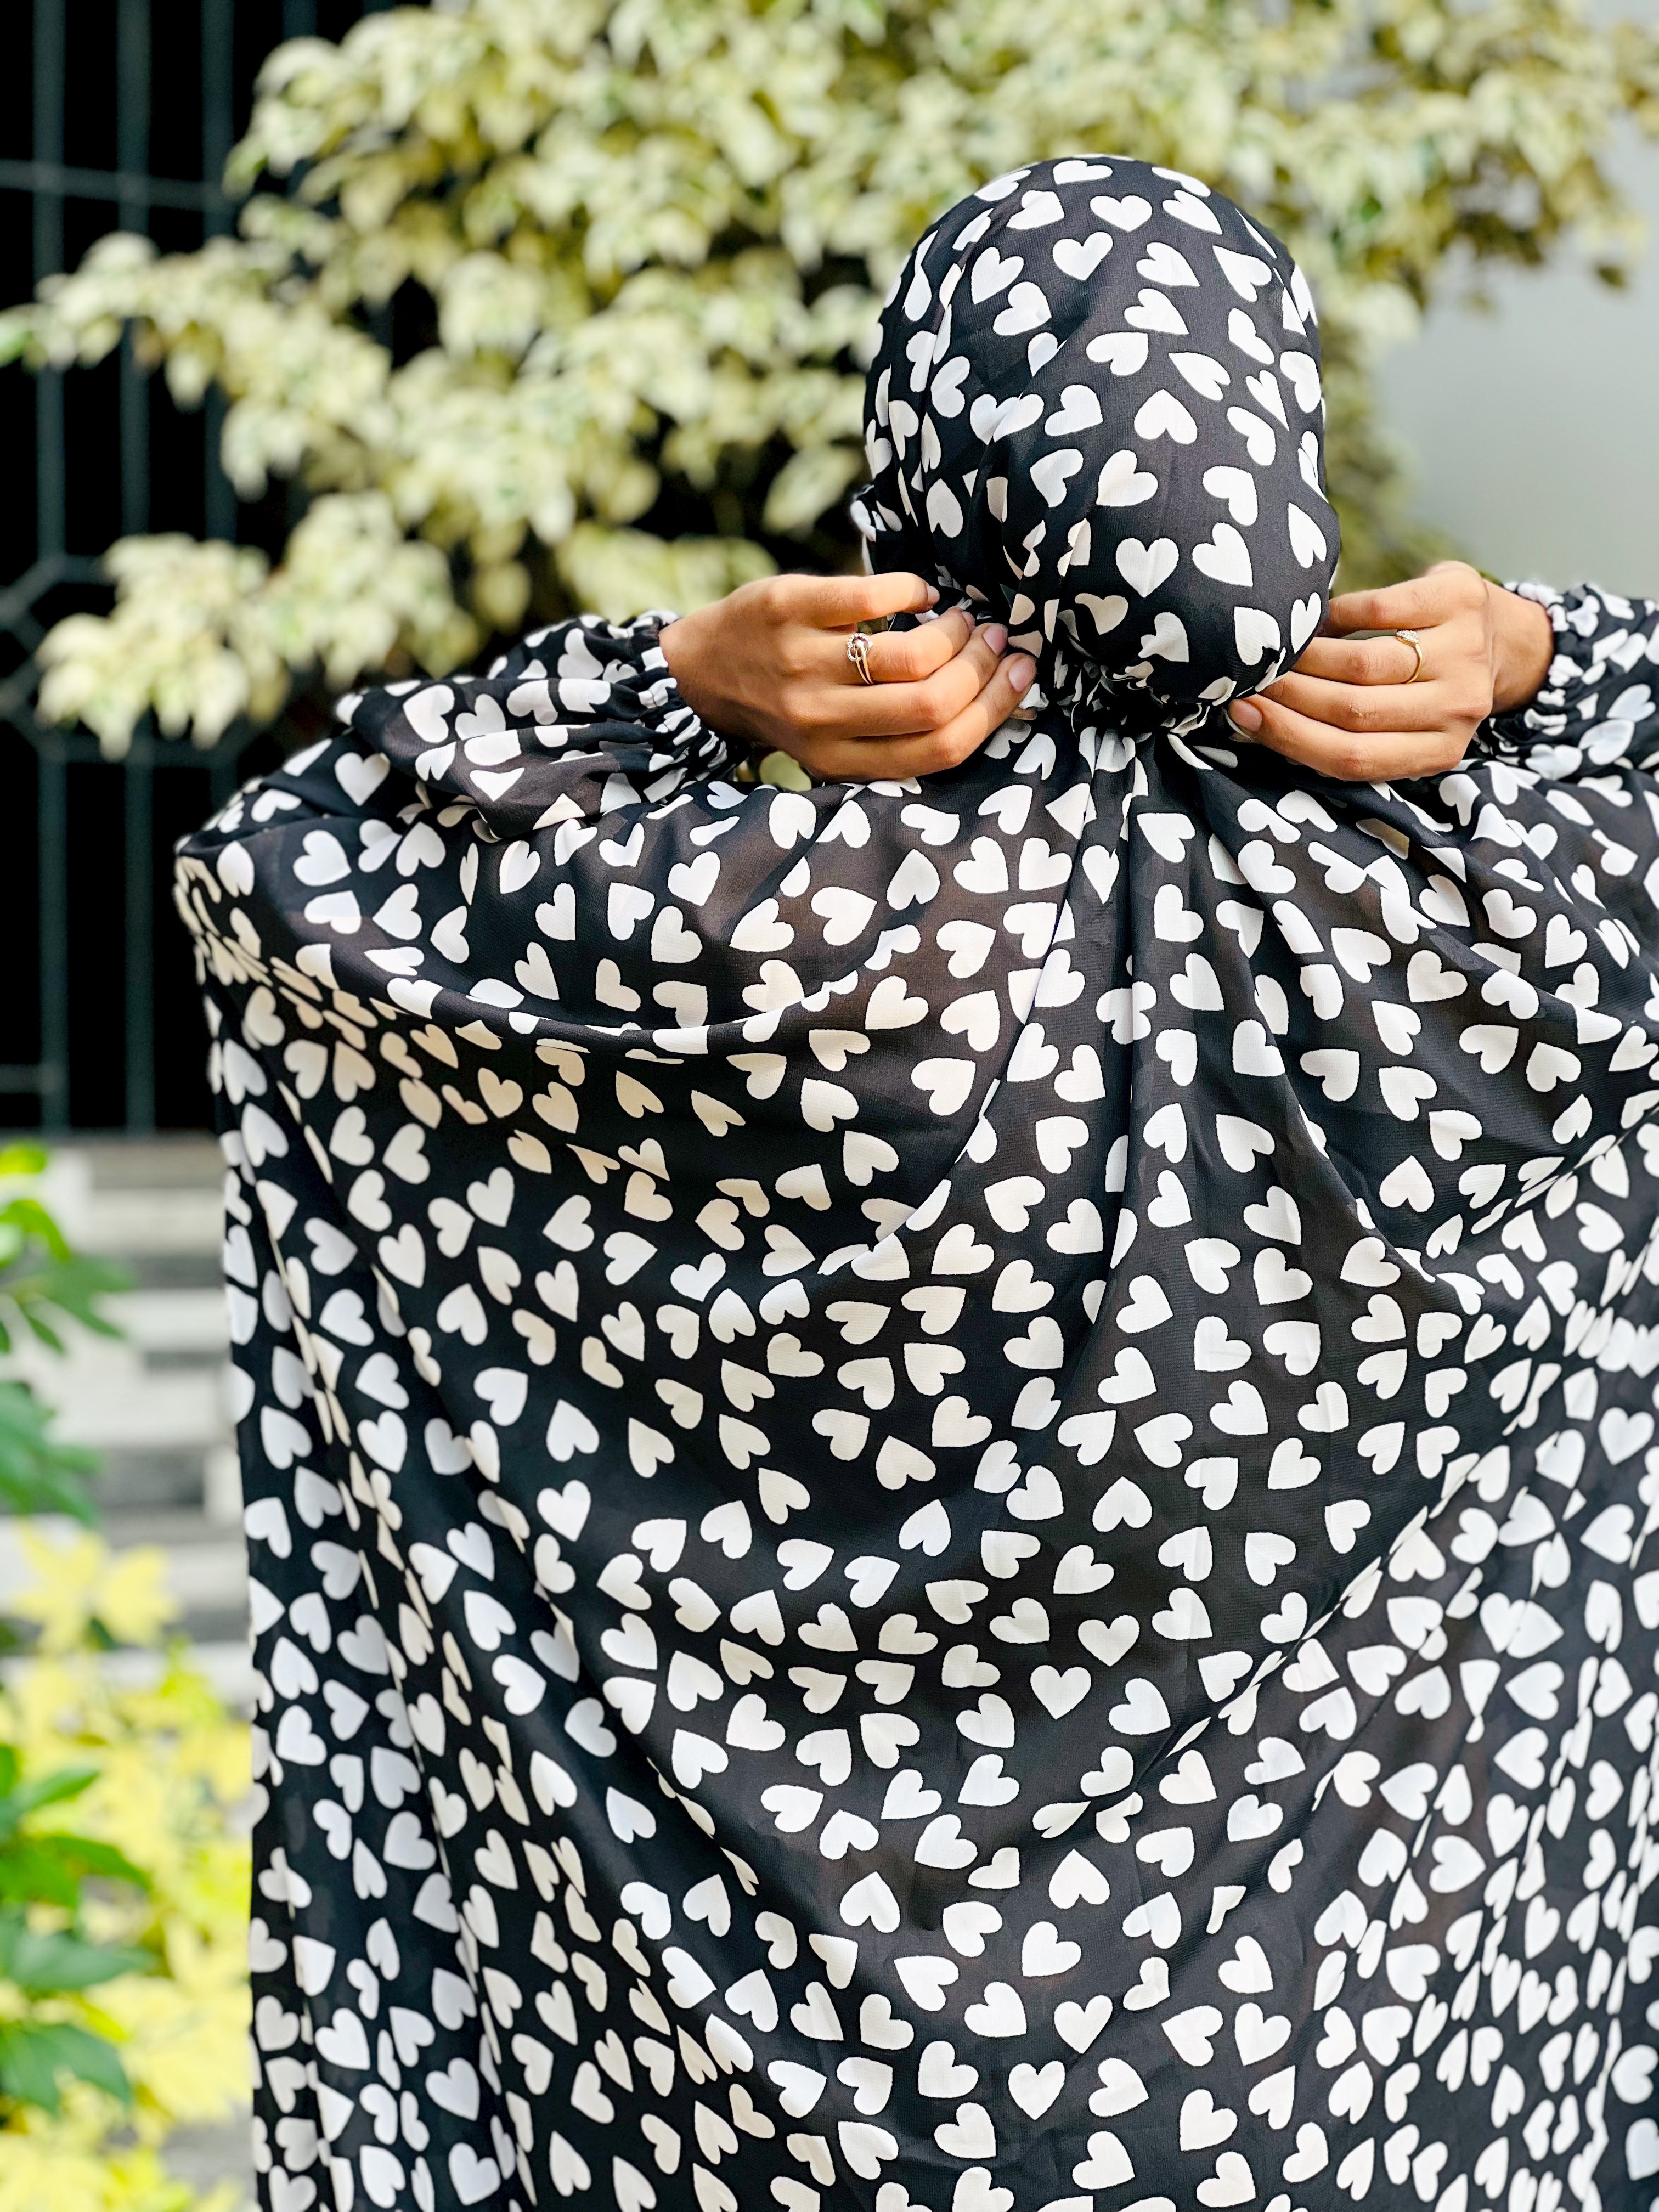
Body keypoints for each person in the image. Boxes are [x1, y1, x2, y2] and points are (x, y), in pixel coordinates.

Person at [177, 157, 1659, 2212]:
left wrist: (671, 680)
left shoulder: (752, 939)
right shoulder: (1523, 932)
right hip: (1362, 2083)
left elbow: (291, 859)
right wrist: (1543, 655)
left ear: (922, 449)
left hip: (774, 2131)